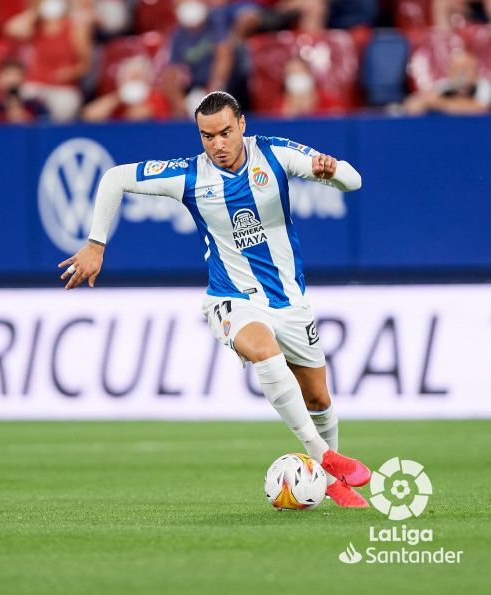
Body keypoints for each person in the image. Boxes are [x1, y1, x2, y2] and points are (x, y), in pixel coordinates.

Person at [58, 91, 372, 508]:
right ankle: (326, 458)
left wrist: (330, 172)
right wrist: (96, 244)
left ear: (242, 124)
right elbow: (115, 177)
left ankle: (333, 481)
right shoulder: (189, 176)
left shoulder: (276, 154)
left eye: (225, 132)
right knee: (263, 350)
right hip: (231, 298)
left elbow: (354, 180)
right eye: (207, 136)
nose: (218, 144)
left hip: (290, 299)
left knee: (318, 398)